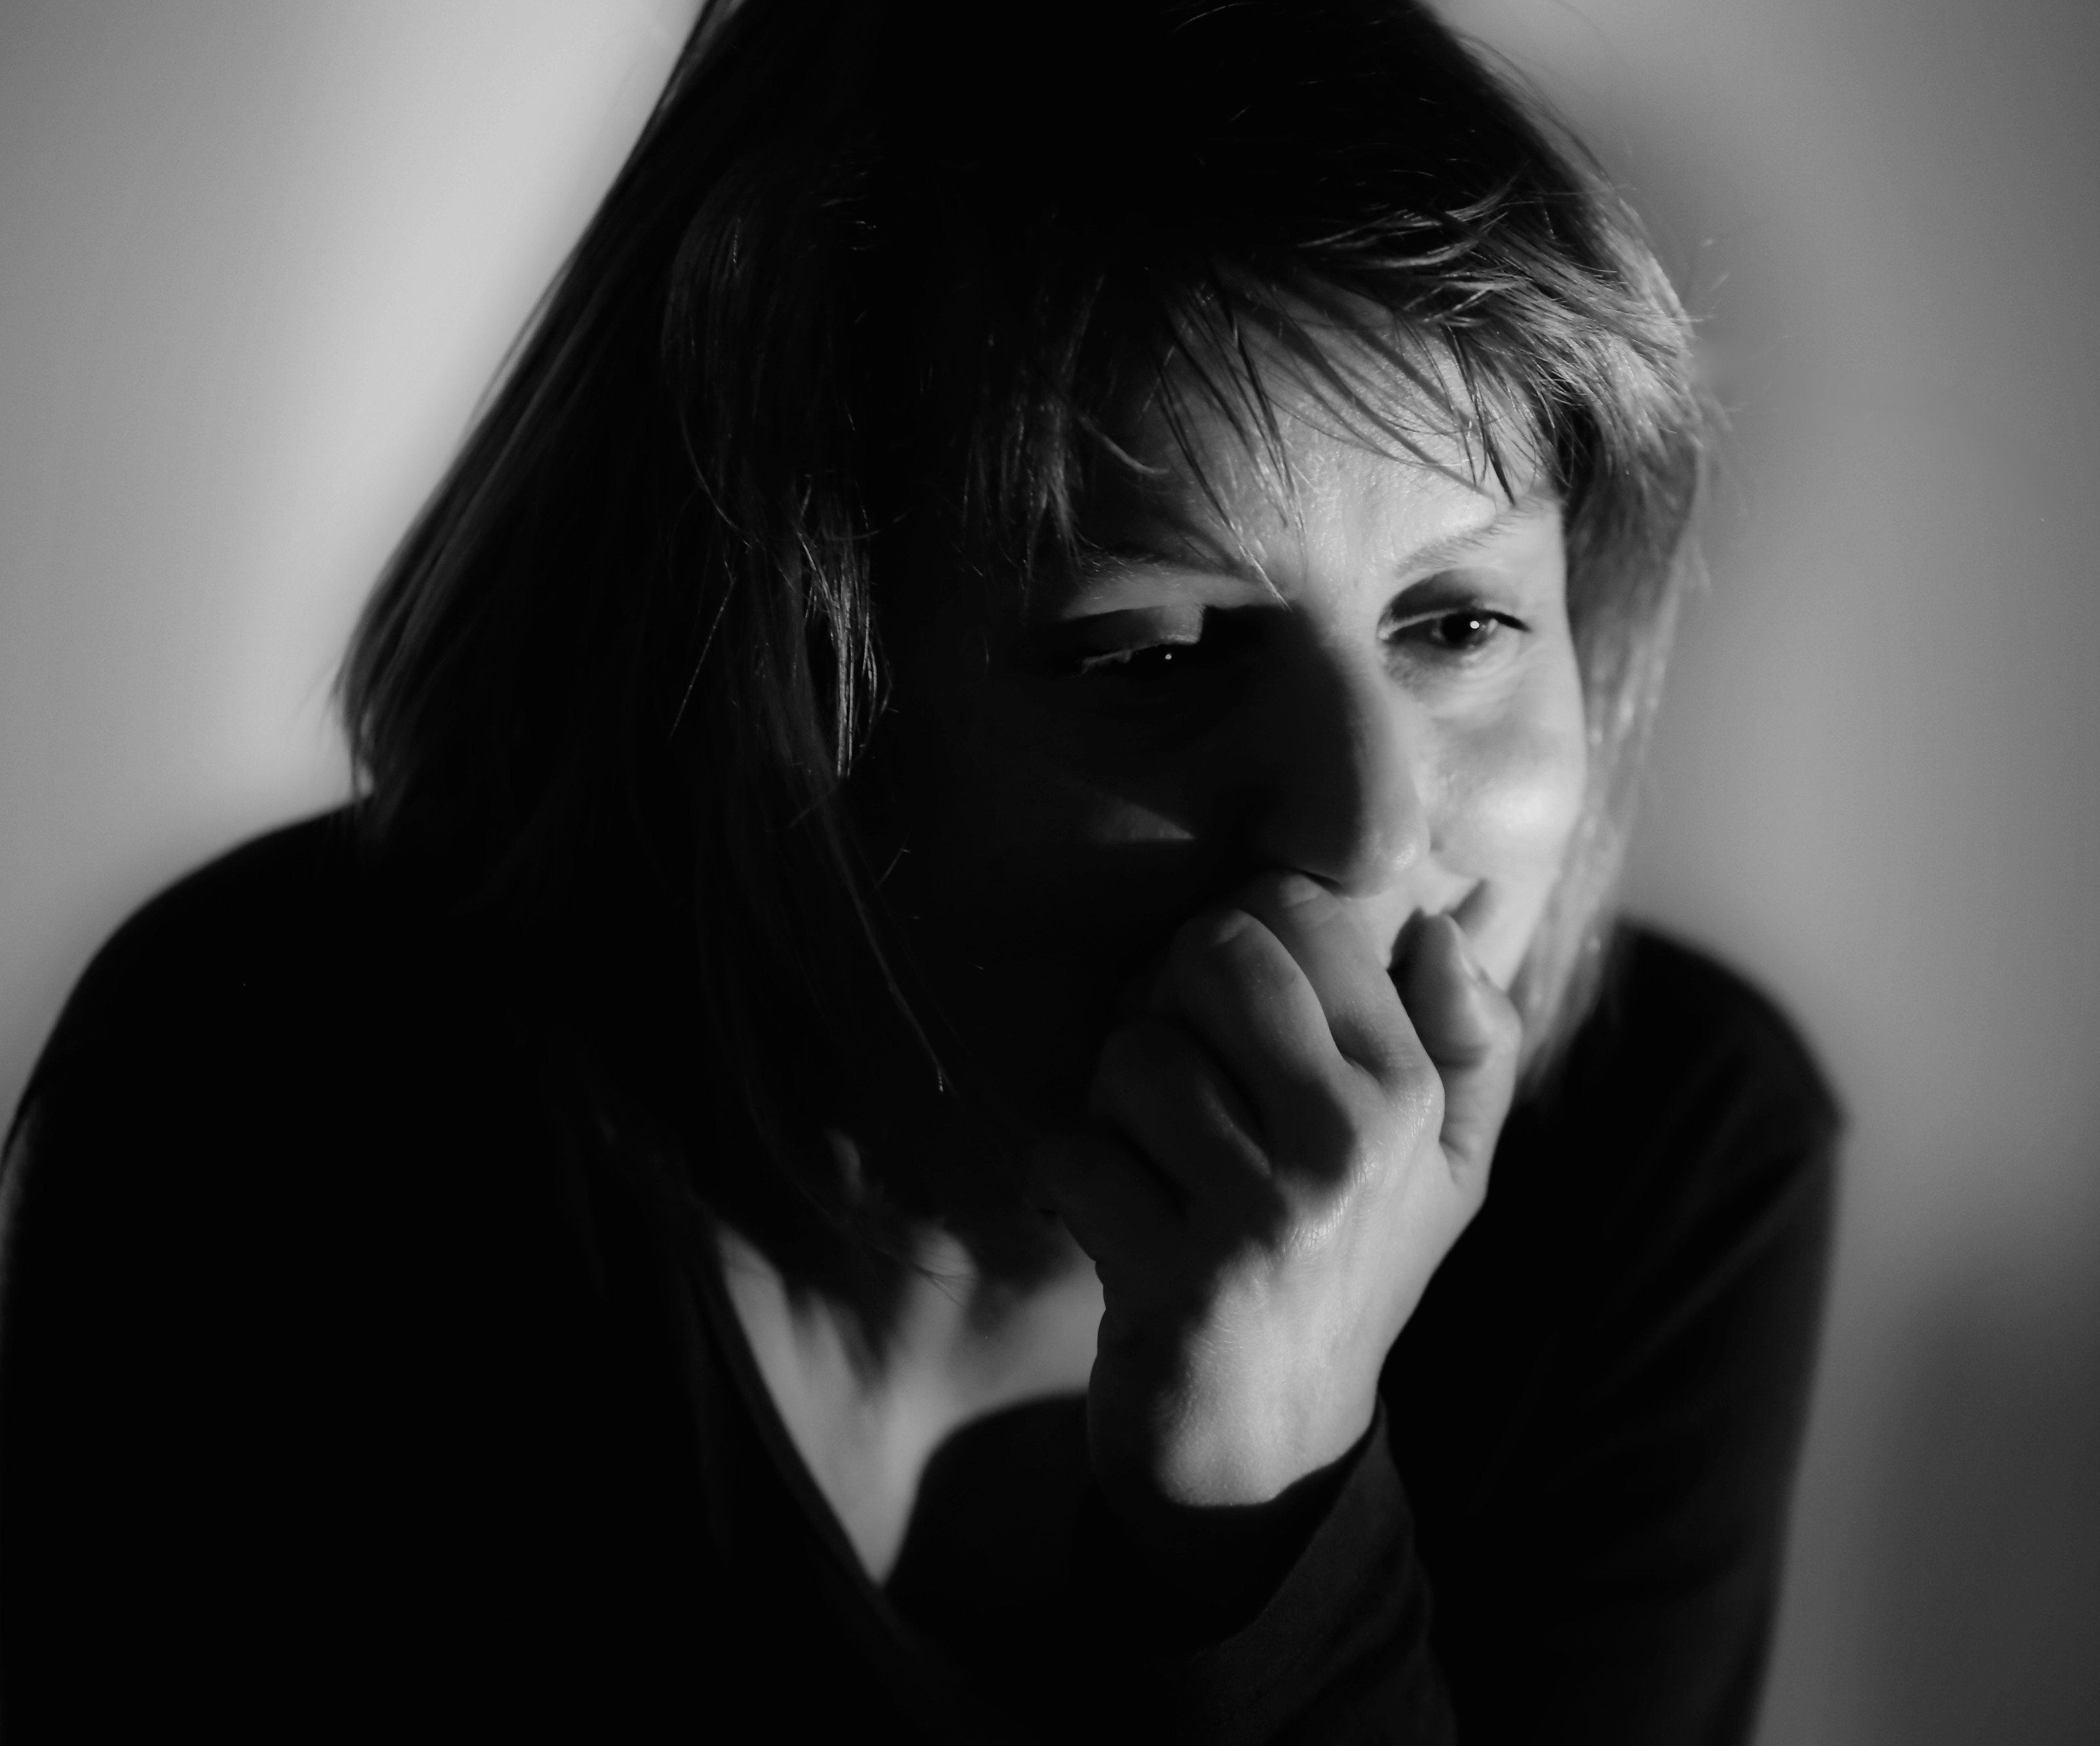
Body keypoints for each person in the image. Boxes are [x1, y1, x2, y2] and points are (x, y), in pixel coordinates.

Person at [0, 1, 1837, 1737]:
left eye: (1459, 622)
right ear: (778, 696)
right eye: (1152, 655)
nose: (1364, 831)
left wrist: (1259, 1512)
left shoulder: (1670, 1164)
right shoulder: (278, 1078)